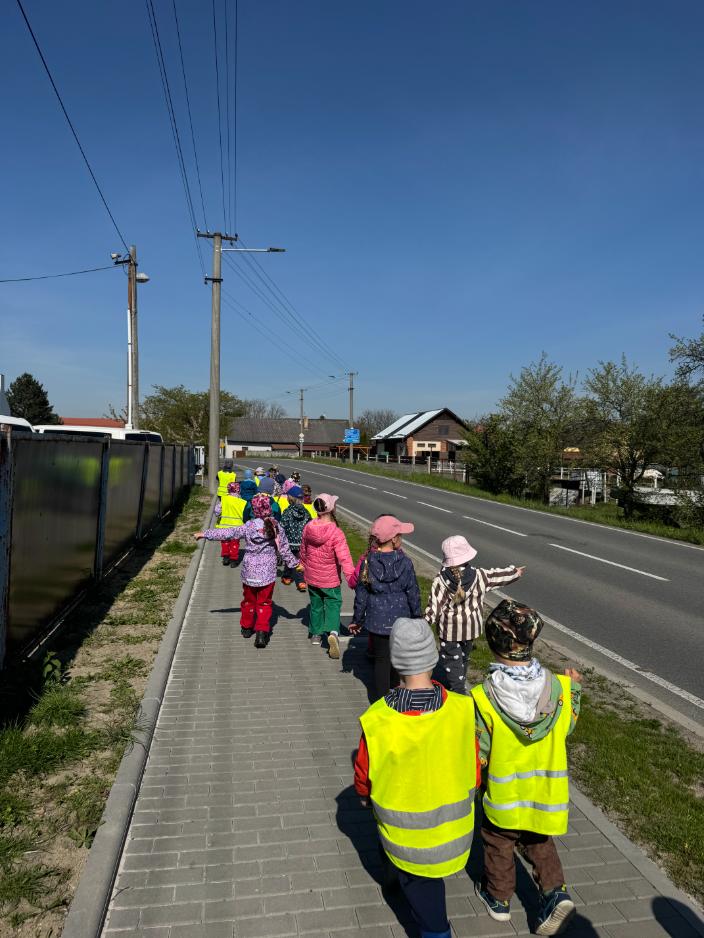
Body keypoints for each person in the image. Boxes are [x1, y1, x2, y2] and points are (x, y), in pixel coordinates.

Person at [354, 618, 480, 938]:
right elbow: (474, 765)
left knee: (422, 887)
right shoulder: (463, 709)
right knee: (422, 877)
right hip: (454, 829)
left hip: (406, 835)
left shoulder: (378, 718)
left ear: (395, 662)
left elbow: (364, 769)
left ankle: (437, 932)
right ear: (433, 658)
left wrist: (363, 794)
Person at [471, 599, 581, 936]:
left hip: (504, 795)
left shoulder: (484, 696)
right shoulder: (559, 689)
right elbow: (567, 726)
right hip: (544, 793)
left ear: (492, 643)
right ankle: (555, 892)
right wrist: (574, 691)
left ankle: (499, 898)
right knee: (539, 841)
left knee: (498, 843)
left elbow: (480, 751)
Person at [194, 493, 300, 649]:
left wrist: (205, 534)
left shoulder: (249, 526)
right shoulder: (276, 526)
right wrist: (296, 564)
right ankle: (261, 633)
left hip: (249, 573)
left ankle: (246, 628)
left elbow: (228, 533)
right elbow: (284, 550)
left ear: (254, 509)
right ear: (269, 508)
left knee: (248, 601)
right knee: (264, 603)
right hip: (267, 574)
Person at [424, 535, 525, 695]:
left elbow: (434, 609)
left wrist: (422, 624)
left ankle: (458, 692)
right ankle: (460, 686)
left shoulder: (440, 581)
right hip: (471, 629)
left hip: (449, 632)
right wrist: (515, 572)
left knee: (452, 662)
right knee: (463, 660)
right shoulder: (479, 576)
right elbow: (497, 576)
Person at [350, 516, 422, 699]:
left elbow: (361, 594)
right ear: (394, 539)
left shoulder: (368, 561)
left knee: (381, 659)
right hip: (401, 620)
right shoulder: (405, 562)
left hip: (377, 621)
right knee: (398, 658)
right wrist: (417, 616)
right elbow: (413, 591)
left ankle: (381, 699)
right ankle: (396, 691)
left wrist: (357, 619)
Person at [299, 493, 355, 659]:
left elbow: (303, 548)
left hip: (312, 575)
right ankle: (333, 632)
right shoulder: (336, 532)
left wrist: (302, 563)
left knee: (316, 604)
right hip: (330, 578)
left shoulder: (309, 527)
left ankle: (315, 634)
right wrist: (351, 577)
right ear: (331, 508)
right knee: (333, 604)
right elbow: (344, 557)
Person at [280, 485, 310, 592]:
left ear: (290, 498)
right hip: (301, 542)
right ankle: (289, 577)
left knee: (292, 560)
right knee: (296, 560)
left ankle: (299, 581)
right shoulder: (306, 512)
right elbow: (309, 525)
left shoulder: (287, 512)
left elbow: (282, 526)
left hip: (289, 542)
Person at [213, 481, 246, 566]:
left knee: (225, 542)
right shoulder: (242, 502)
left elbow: (217, 510)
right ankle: (233, 560)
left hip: (224, 525)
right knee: (235, 543)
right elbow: (245, 514)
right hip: (237, 527)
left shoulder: (224, 499)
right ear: (238, 490)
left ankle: (226, 557)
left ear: (228, 489)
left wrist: (218, 514)